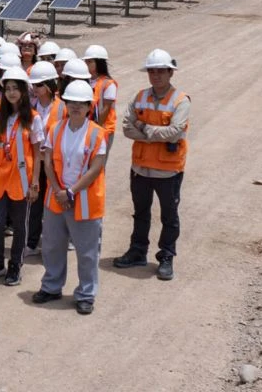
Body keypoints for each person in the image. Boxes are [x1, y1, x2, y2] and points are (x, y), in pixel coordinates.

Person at [33, 80, 109, 315]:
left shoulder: (97, 133)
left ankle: (86, 294)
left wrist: (70, 191)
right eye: (71, 102)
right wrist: (59, 190)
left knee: (87, 252)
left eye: (81, 103)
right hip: (56, 198)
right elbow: (47, 162)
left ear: (89, 106)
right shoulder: (55, 129)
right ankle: (51, 286)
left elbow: (95, 168)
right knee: (52, 246)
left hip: (84, 201)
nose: (76, 107)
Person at [114, 49, 190, 281]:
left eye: (160, 71)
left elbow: (174, 133)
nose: (155, 75)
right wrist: (154, 135)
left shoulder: (180, 100)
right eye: (152, 71)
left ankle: (166, 256)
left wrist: (144, 128)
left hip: (168, 171)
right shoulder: (140, 96)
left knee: (169, 216)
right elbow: (126, 127)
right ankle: (137, 251)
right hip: (140, 169)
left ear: (170, 73)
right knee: (140, 213)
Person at [0, 67, 47, 286]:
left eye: (15, 88)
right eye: (8, 88)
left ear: (23, 91)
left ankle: (15, 266)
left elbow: (37, 153)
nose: (11, 93)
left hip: (21, 179)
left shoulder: (33, 118)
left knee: (20, 225)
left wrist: (35, 183)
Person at [25, 60, 64, 257]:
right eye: (33, 84)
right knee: (35, 204)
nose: (35, 88)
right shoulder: (30, 106)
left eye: (39, 85)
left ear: (49, 85)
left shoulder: (62, 107)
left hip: (55, 164)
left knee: (55, 205)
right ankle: (32, 243)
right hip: (37, 162)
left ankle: (55, 243)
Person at [83, 45, 119, 141]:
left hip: (103, 130)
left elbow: (105, 109)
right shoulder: (85, 81)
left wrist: (95, 130)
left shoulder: (108, 84)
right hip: (86, 129)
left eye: (89, 61)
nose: (86, 64)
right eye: (85, 61)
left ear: (99, 63)